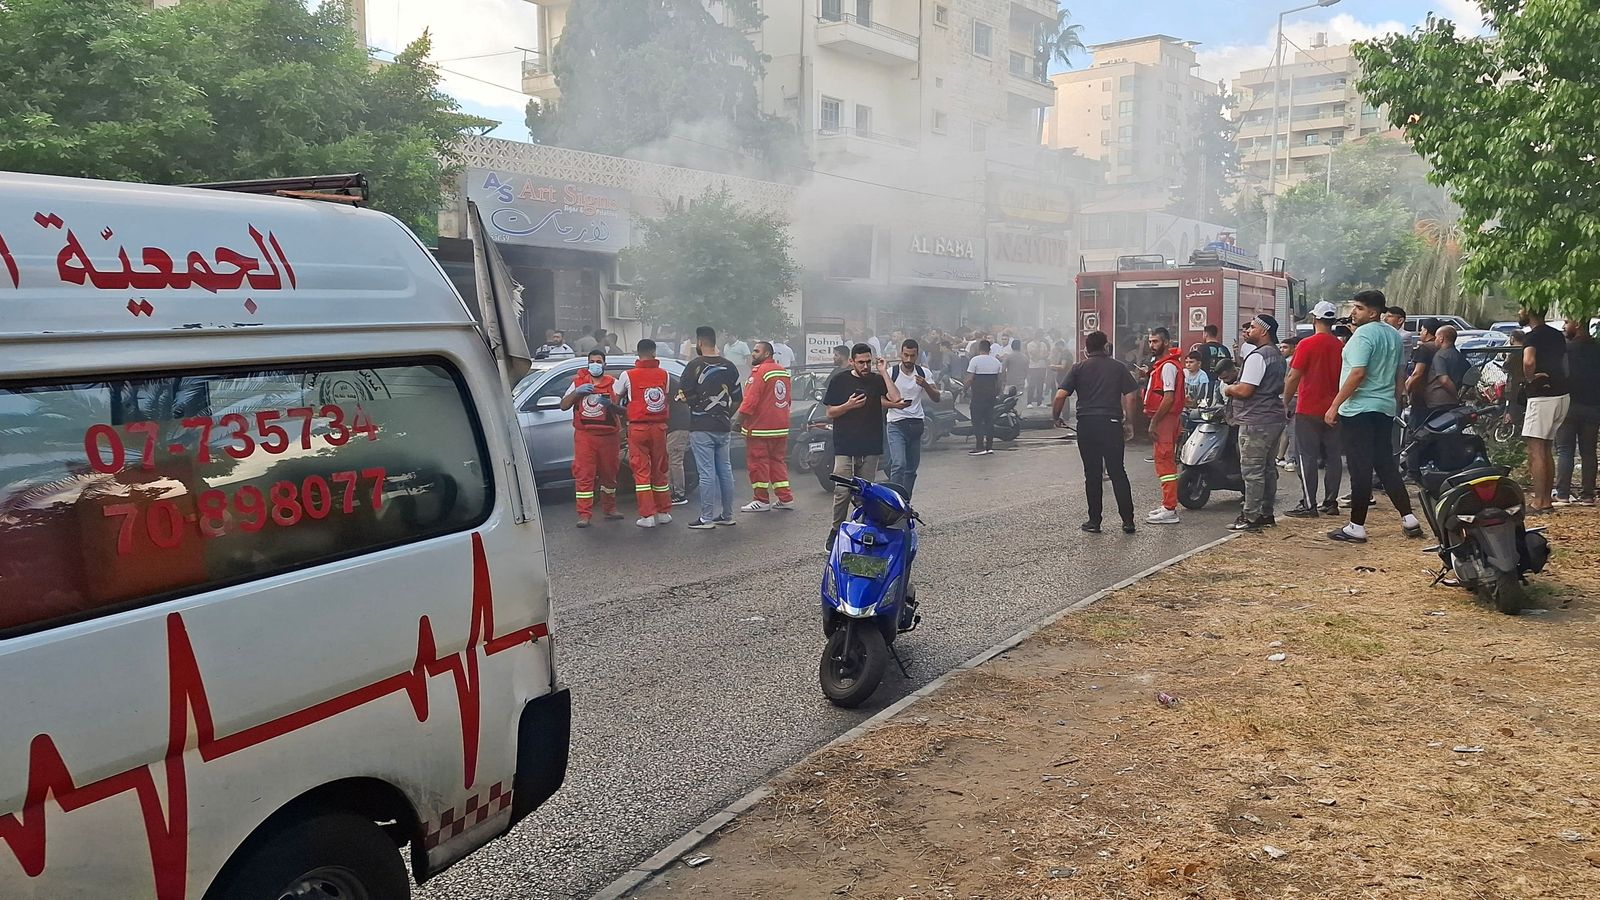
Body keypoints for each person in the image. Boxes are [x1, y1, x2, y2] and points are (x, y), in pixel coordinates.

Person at [1324, 290, 1425, 543]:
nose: (1353, 312)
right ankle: (1408, 518)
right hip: (1383, 407)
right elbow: (1399, 372)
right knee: (1385, 464)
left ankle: (1356, 526)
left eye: (1358, 308)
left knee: (1360, 467)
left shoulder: (1362, 335)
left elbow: (1357, 374)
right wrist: (1397, 397)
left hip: (1358, 409)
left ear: (1373, 312)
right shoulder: (1392, 335)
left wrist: (1335, 404)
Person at [1052, 330, 1138, 534]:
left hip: (1087, 425)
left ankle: (1094, 521)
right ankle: (1128, 521)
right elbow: (1131, 396)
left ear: (1087, 348)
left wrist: (1056, 417)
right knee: (1118, 472)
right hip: (1111, 423)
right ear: (1106, 346)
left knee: (1092, 474)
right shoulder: (1118, 367)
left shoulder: (1078, 368)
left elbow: (1060, 395)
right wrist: (1130, 422)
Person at [822, 344, 901, 547]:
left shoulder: (876, 380)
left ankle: (864, 530)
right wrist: (848, 406)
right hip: (845, 445)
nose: (865, 366)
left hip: (871, 445)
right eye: (861, 362)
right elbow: (830, 413)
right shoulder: (839, 380)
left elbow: (895, 398)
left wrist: (883, 372)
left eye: (868, 362)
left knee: (866, 494)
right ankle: (836, 530)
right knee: (842, 491)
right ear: (852, 362)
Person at [1223, 315, 1288, 531]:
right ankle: (1266, 513)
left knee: (1252, 471)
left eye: (1252, 327)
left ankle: (1250, 516)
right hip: (1273, 418)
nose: (1248, 331)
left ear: (1264, 331)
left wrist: (1228, 388)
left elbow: (1245, 390)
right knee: (1268, 469)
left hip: (1255, 420)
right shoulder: (1277, 355)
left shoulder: (1257, 356)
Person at [1282, 301, 1344, 517]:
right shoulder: (1341, 346)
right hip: (1335, 408)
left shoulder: (1306, 345)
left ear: (1314, 319)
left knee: (1306, 456)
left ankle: (1309, 503)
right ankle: (1331, 501)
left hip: (1308, 408)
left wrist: (1285, 402)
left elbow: (1294, 376)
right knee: (1333, 457)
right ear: (1333, 321)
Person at [682, 326, 743, 529]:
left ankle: (706, 518)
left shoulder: (693, 366)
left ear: (699, 343)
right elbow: (738, 398)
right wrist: (725, 415)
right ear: (714, 342)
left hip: (701, 427)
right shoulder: (730, 367)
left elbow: (683, 396)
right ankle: (727, 515)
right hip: (723, 426)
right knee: (725, 470)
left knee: (706, 472)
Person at [613, 339, 674, 528]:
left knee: (641, 472)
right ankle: (664, 512)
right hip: (660, 428)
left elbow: (615, 397)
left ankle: (647, 515)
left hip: (638, 428)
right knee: (660, 469)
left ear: (637, 353)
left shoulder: (627, 375)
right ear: (654, 352)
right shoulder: (665, 374)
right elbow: (666, 396)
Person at [560, 349, 624, 527]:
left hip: (609, 437)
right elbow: (563, 405)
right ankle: (584, 514)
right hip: (585, 436)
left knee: (609, 475)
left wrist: (612, 406)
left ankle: (609, 509)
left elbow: (626, 410)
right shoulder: (578, 383)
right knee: (584, 475)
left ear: (605, 364)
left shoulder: (614, 384)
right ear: (587, 363)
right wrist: (577, 392)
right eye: (592, 361)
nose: (595, 364)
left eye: (598, 361)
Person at [1519, 306, 1570, 514]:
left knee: (1536, 449)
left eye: (1521, 308)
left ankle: (1540, 502)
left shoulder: (1532, 337)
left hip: (1542, 396)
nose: (1519, 312)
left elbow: (1528, 361)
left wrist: (1530, 378)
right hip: (1562, 394)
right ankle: (1546, 498)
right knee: (1547, 448)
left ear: (1529, 311)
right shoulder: (1557, 335)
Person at [733, 341, 794, 512]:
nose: (753, 354)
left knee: (758, 464)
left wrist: (738, 422)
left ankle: (761, 500)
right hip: (780, 427)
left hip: (760, 428)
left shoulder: (759, 372)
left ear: (767, 354)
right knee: (777, 462)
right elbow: (787, 400)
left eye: (756, 351)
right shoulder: (782, 371)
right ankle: (785, 498)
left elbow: (750, 401)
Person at [885, 338, 941, 500]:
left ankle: (905, 502)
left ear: (917, 355)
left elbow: (936, 397)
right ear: (900, 354)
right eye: (906, 355)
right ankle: (892, 500)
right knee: (899, 464)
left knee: (911, 469)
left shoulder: (924, 373)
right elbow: (879, 399)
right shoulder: (891, 373)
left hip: (916, 424)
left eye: (912, 356)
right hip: (896, 424)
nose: (909, 359)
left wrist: (926, 386)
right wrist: (895, 405)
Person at [1142, 328, 1184, 525]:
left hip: (1165, 419)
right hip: (1166, 419)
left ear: (1166, 342)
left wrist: (1154, 421)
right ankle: (1167, 505)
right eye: (1150, 342)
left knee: (1166, 463)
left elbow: (1168, 398)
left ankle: (1170, 509)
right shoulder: (1163, 365)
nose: (1152, 345)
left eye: (1156, 341)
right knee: (1163, 462)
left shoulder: (1167, 367)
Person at [1555, 318, 1599, 506]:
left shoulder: (1566, 350)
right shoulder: (1597, 349)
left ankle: (1563, 493)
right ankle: (1588, 494)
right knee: (1589, 451)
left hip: (1569, 404)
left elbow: (1560, 374)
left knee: (1565, 450)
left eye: (1567, 322)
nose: (1564, 326)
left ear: (1578, 324)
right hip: (1593, 405)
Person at [965, 339, 1004, 455]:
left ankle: (979, 446)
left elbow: (970, 378)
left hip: (978, 396)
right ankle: (989, 446)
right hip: (991, 396)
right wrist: (997, 393)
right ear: (989, 349)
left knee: (977, 421)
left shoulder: (975, 360)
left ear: (979, 349)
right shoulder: (996, 362)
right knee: (989, 420)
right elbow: (1000, 380)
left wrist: (964, 389)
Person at [665, 373, 692, 508]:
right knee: (671, 460)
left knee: (674, 460)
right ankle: (670, 492)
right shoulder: (669, 380)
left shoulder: (666, 381)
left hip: (677, 427)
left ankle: (678, 494)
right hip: (674, 426)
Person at [1026, 334, 1050, 408]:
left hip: (1042, 366)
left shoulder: (1043, 344)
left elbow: (1046, 354)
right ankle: (1029, 402)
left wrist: (1040, 357)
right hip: (1033, 367)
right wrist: (1038, 347)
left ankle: (1040, 402)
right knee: (1032, 384)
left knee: (1040, 385)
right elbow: (1033, 355)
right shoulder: (1030, 345)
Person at [1003, 339, 1029, 403]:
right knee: (1019, 401)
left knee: (1007, 401)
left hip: (1009, 382)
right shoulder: (1025, 357)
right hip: (1020, 383)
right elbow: (1027, 371)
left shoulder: (1008, 357)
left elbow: (1003, 369)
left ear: (1012, 346)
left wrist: (1003, 380)